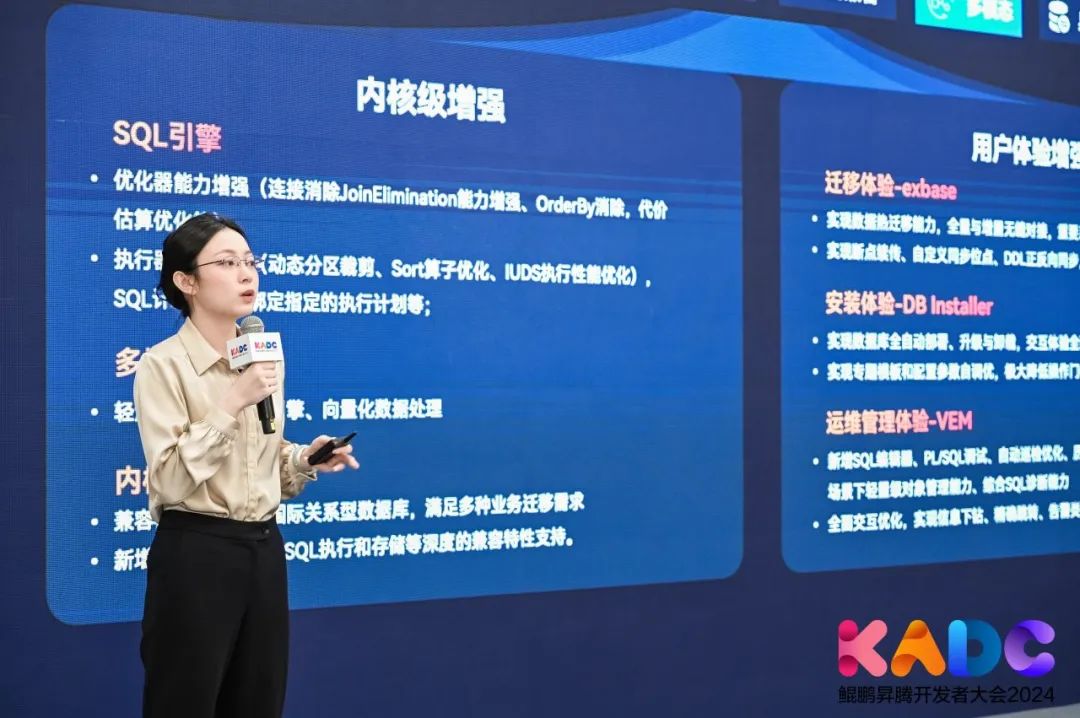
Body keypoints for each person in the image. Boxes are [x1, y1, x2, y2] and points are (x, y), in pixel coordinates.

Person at [133, 212, 359, 718]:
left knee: (259, 699)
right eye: (227, 263)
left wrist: (303, 458)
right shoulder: (162, 364)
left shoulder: (261, 356)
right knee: (184, 701)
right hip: (196, 553)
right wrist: (233, 399)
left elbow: (261, 457)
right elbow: (169, 478)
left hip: (263, 549)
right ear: (186, 282)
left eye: (250, 261)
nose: (246, 274)